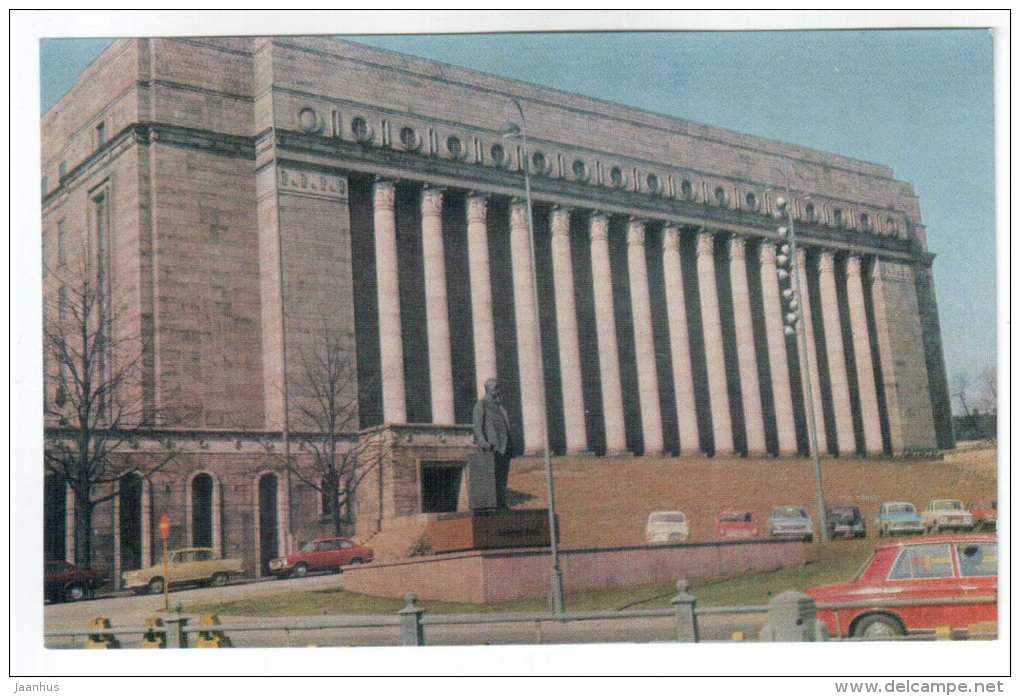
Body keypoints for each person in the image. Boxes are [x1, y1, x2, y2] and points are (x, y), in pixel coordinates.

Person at [472, 378, 512, 508]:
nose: (498, 390)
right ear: (488, 389)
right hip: (491, 448)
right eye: (496, 388)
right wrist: (483, 443)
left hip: (504, 448)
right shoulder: (481, 404)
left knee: (502, 479)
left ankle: (501, 503)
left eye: (498, 387)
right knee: (491, 478)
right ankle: (492, 505)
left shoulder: (500, 407)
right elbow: (477, 426)